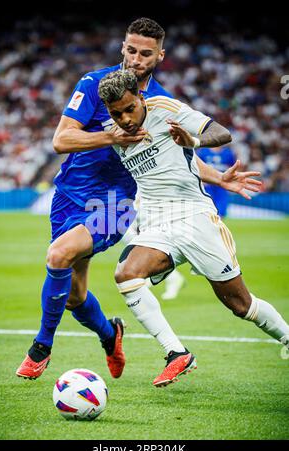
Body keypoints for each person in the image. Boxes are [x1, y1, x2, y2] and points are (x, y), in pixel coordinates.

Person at [98, 69, 289, 387]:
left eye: (130, 109)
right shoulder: (112, 133)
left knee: (241, 305)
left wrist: (194, 141)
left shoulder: (166, 109)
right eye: (116, 114)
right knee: (126, 274)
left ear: (141, 98)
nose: (125, 119)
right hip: (158, 222)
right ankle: (176, 353)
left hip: (195, 217)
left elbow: (221, 134)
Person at [16, 18, 174, 380]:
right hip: (69, 196)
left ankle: (41, 346)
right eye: (131, 50)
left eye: (145, 53)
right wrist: (112, 137)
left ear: (159, 56)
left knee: (58, 255)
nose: (136, 59)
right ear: (123, 47)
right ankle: (110, 334)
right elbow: (61, 141)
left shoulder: (162, 103)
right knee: (73, 297)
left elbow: (178, 154)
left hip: (115, 206)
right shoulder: (93, 84)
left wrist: (217, 178)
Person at [198, 145, 237, 217]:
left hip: (222, 185)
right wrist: (201, 180)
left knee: (221, 208)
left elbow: (233, 167)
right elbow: (197, 167)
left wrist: (232, 180)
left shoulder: (228, 153)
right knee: (207, 207)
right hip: (208, 184)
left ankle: (218, 225)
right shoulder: (203, 151)